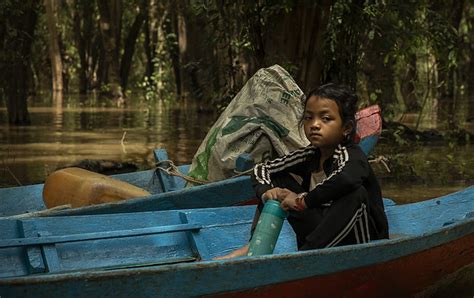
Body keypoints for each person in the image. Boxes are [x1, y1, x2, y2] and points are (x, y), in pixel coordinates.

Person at [214, 83, 389, 259]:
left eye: (326, 119)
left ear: (347, 128)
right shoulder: (309, 155)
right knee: (278, 182)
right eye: (308, 118)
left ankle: (306, 256)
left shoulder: (352, 155)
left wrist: (302, 201)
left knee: (355, 193)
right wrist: (267, 192)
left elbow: (346, 180)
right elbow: (263, 169)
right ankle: (256, 245)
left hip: (357, 242)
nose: (315, 125)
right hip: (319, 236)